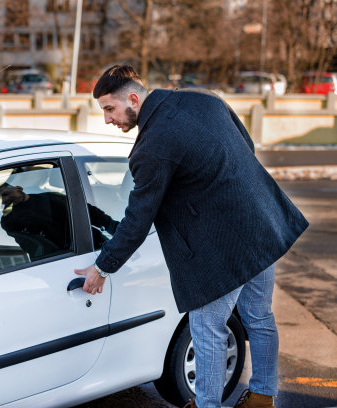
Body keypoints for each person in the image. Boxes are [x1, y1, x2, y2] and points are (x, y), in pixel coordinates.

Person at [74, 65, 308, 408]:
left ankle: (208, 405)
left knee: (207, 328)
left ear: (134, 99)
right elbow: (245, 145)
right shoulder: (206, 99)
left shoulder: (152, 147)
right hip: (261, 224)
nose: (108, 119)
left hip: (221, 248)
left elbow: (138, 220)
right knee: (259, 317)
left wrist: (103, 267)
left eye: (110, 109)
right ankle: (262, 396)